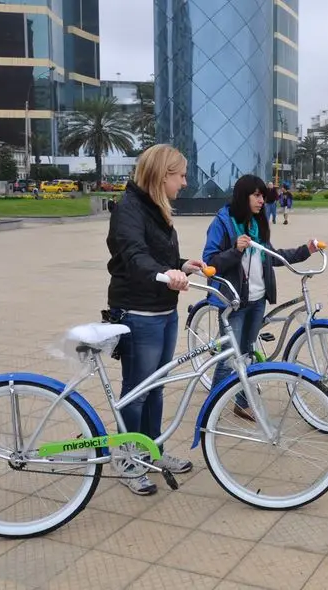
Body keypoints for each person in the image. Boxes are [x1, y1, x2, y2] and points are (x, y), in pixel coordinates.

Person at [105, 143, 206, 496]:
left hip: (164, 311)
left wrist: (181, 266)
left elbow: (158, 257)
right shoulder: (129, 209)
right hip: (139, 314)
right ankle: (126, 458)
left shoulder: (156, 208)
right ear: (163, 175)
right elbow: (135, 257)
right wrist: (167, 273)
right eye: (181, 176)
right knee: (136, 392)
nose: (185, 183)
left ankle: (152, 451)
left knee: (156, 388)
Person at [203, 174, 320, 420]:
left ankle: (242, 402)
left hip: (257, 301)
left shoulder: (257, 224)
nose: (261, 201)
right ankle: (209, 412)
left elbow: (272, 256)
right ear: (242, 196)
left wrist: (305, 251)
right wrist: (236, 250)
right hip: (234, 303)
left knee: (247, 353)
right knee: (229, 358)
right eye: (256, 196)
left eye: (262, 197)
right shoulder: (222, 223)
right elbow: (209, 262)